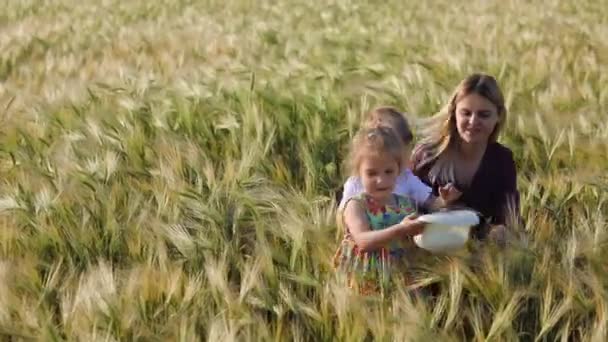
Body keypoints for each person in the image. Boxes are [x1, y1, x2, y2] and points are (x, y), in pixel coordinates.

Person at [333, 126, 456, 296]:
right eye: (371, 173)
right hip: (367, 279)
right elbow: (363, 241)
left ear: (399, 170)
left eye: (388, 171)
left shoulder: (405, 204)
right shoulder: (356, 205)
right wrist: (401, 229)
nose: (381, 179)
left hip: (400, 277)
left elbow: (413, 239)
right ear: (358, 173)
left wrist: (443, 204)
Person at [410, 73, 520, 243]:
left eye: (484, 115)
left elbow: (508, 216)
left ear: (498, 116)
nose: (473, 121)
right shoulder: (428, 155)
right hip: (425, 250)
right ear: (454, 113)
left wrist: (501, 232)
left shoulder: (501, 161)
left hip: (477, 256)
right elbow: (399, 202)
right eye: (466, 113)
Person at [338, 107, 460, 212]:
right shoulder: (355, 183)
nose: (381, 180)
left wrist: (444, 200)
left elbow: (431, 203)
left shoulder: (406, 178)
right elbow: (343, 218)